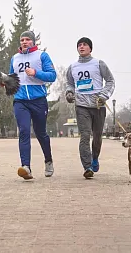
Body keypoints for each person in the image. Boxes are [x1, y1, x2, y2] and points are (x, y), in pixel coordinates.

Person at [65, 37, 115, 179]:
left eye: (85, 45)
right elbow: (69, 83)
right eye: (79, 45)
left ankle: (94, 158)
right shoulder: (72, 67)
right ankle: (87, 167)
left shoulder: (99, 64)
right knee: (85, 136)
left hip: (98, 105)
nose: (81, 47)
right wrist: (69, 93)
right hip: (81, 106)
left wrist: (104, 96)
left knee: (97, 136)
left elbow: (110, 81)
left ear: (90, 48)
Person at [10, 30, 57, 180]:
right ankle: (26, 167)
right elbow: (12, 78)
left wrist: (36, 72)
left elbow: (52, 76)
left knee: (40, 133)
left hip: (38, 100)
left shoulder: (42, 55)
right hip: (20, 100)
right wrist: (5, 83)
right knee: (23, 131)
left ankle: (48, 161)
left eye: (27, 40)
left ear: (33, 42)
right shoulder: (15, 58)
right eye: (22, 40)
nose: (24, 42)